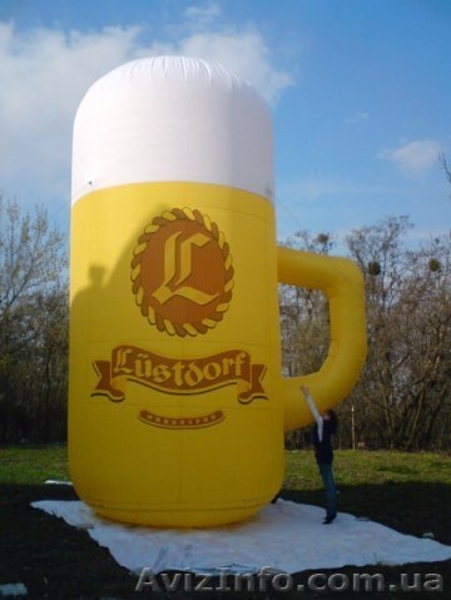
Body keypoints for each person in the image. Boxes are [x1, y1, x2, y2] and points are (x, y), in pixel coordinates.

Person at [300, 385, 338, 524]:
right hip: (327, 456)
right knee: (330, 483)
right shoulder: (327, 426)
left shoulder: (322, 424)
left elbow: (314, 411)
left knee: (328, 485)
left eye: (325, 414)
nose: (322, 414)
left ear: (329, 417)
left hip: (323, 457)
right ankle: (333, 510)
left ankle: (331, 513)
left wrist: (307, 395)